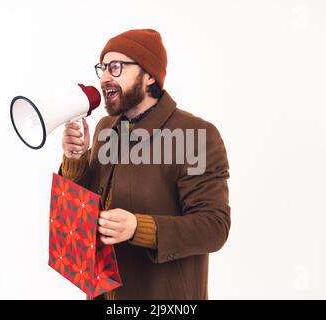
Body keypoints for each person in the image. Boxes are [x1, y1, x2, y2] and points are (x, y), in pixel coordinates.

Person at [59, 29, 231, 300]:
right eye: (102, 68)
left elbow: (214, 227)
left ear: (149, 75)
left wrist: (138, 228)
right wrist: (75, 160)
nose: (104, 78)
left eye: (116, 67)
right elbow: (84, 209)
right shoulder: (106, 129)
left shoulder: (197, 135)